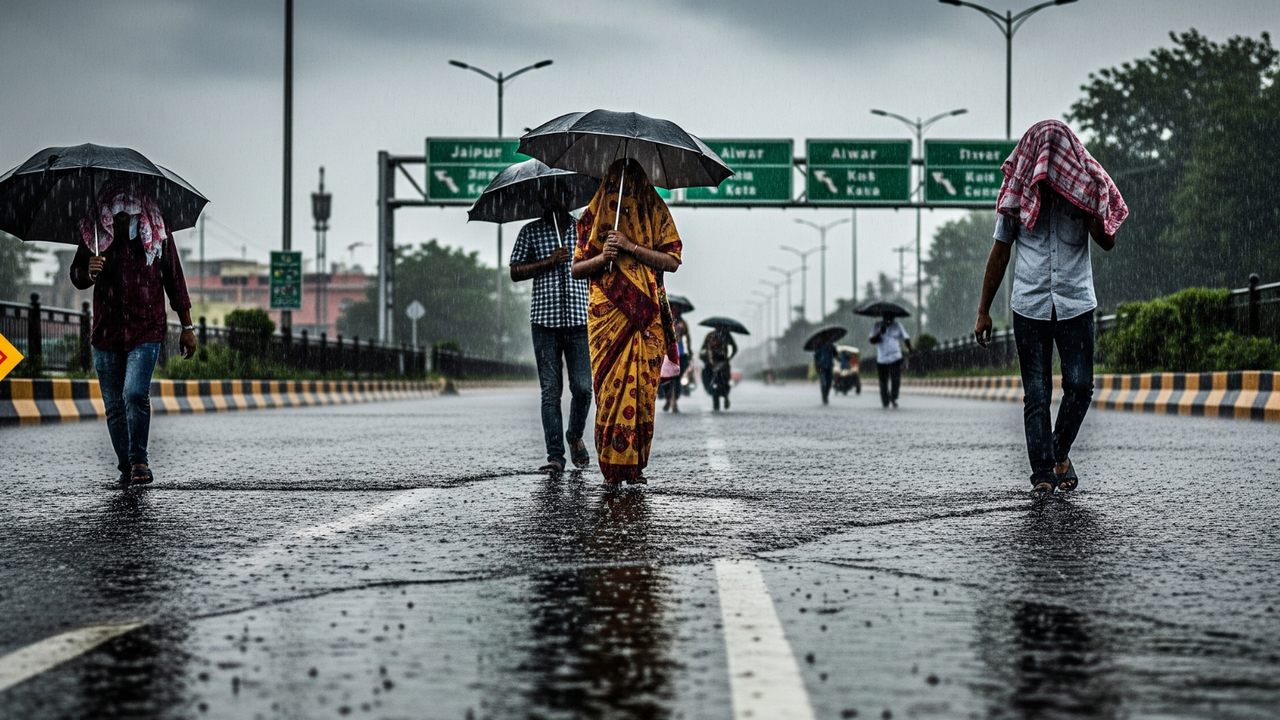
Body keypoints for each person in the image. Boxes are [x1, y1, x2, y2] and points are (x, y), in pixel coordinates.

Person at [974, 119, 1127, 495]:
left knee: (1080, 387)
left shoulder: (1084, 187)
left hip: (1075, 303)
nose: (1049, 160)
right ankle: (1042, 473)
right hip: (1030, 305)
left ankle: (1057, 454)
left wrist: (1091, 208)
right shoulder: (1017, 192)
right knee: (1037, 394)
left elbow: (1106, 242)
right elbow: (1000, 252)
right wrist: (983, 310)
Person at [70, 188, 196, 488]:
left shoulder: (156, 229)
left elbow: (174, 279)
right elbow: (76, 274)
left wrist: (188, 328)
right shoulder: (96, 233)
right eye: (117, 205)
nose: (123, 210)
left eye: (129, 204)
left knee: (134, 394)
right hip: (106, 330)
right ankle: (126, 465)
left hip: (146, 327)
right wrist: (89, 271)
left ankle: (139, 458)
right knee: (114, 405)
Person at [571, 159, 682, 486]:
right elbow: (577, 268)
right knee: (609, 391)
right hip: (606, 318)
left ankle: (634, 467)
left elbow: (673, 259)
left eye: (630, 186)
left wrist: (631, 247)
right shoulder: (593, 216)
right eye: (616, 186)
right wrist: (603, 257)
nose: (624, 195)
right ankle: (611, 468)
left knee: (642, 393)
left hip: (645, 318)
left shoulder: (654, 209)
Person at [509, 183, 592, 474]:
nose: (554, 201)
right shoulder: (530, 232)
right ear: (542, 200)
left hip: (581, 321)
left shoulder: (586, 227)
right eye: (548, 196)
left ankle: (574, 435)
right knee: (550, 392)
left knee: (583, 388)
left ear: (569, 198)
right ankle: (555, 456)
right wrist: (548, 261)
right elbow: (515, 271)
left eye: (559, 195)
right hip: (544, 322)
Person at [870, 314, 912, 408]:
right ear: (883, 317)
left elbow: (906, 338)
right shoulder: (877, 325)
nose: (889, 319)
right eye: (887, 317)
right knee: (883, 382)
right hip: (882, 359)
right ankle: (885, 400)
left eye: (891, 318)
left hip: (895, 357)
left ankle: (893, 397)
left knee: (895, 380)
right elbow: (872, 340)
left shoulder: (898, 326)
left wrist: (910, 349)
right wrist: (880, 332)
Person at [659, 305, 692, 413]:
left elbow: (687, 337)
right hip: (666, 351)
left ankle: (674, 402)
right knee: (666, 380)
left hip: (679, 352)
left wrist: (689, 350)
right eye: (673, 308)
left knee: (676, 379)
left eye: (676, 309)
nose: (674, 310)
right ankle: (669, 399)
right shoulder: (664, 320)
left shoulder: (682, 323)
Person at [700, 326, 737, 411]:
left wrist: (728, 358)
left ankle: (724, 397)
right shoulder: (722, 336)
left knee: (721, 381)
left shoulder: (715, 335)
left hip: (721, 362)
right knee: (718, 381)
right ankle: (721, 398)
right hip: (716, 363)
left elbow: (704, 349)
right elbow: (705, 350)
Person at [813, 339, 837, 405]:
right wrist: (816, 366)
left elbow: (835, 355)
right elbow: (815, 357)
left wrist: (833, 348)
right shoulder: (819, 348)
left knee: (829, 383)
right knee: (824, 383)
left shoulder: (831, 347)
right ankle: (824, 397)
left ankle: (826, 396)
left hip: (829, 367)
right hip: (822, 368)